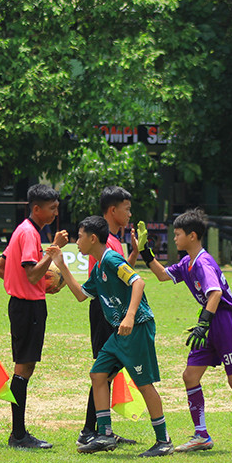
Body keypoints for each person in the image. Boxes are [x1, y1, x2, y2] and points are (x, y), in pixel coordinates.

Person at [140, 208, 232, 453]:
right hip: (208, 322)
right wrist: (145, 252)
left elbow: (215, 292)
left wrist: (204, 322)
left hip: (224, 321)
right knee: (190, 376)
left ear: (193, 236)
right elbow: (163, 275)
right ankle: (201, 435)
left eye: (177, 234)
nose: (174, 238)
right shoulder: (187, 262)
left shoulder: (204, 262)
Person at [48, 216, 170, 457]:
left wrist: (130, 316)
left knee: (144, 383)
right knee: (98, 374)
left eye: (80, 236)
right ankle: (104, 434)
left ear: (93, 238)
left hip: (137, 328)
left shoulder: (112, 259)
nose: (77, 241)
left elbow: (138, 282)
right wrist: (61, 265)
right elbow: (82, 295)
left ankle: (163, 441)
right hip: (119, 334)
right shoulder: (98, 267)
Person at [0, 184, 68, 449]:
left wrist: (27, 284)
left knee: (26, 366)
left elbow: (0, 268)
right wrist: (53, 251)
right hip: (27, 308)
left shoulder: (24, 230)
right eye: (52, 208)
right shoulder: (29, 233)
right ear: (37, 208)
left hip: (25, 303)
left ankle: (19, 432)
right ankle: (18, 434)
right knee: (23, 368)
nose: (55, 213)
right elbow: (33, 273)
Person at [76, 186, 141, 448]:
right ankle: (90, 430)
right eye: (126, 208)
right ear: (112, 211)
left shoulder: (113, 240)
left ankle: (101, 429)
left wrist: (135, 252)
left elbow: (123, 277)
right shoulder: (102, 242)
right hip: (105, 310)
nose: (129, 213)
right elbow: (106, 284)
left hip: (112, 308)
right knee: (103, 371)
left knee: (107, 372)